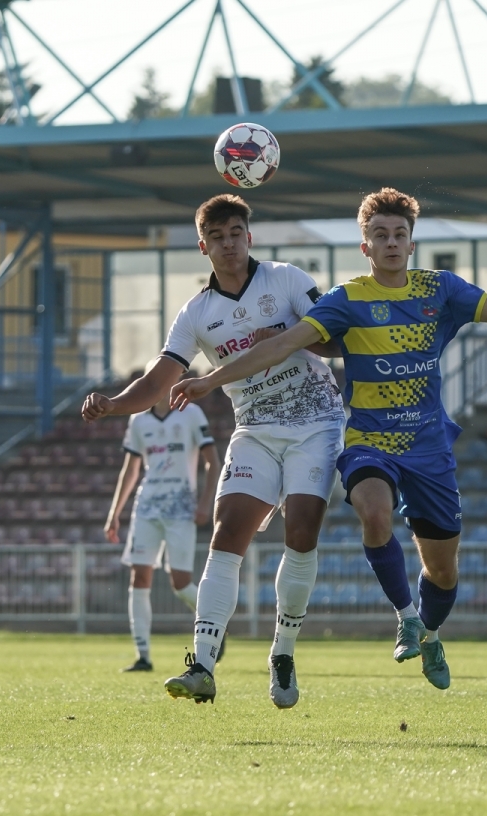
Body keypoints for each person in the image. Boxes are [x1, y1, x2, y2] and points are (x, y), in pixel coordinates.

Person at [172, 187, 487, 690]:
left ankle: (430, 633)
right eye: (380, 235)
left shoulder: (441, 290)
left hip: (429, 447)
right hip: (370, 440)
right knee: (373, 512)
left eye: (399, 235)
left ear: (412, 244)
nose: (391, 243)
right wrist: (210, 380)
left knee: (443, 572)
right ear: (365, 246)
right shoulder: (347, 299)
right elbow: (283, 344)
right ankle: (406, 616)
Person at [82, 193, 345, 708]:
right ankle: (202, 664)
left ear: (250, 236)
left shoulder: (286, 279)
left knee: (300, 533)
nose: (228, 244)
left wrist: (290, 336)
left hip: (317, 423)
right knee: (225, 538)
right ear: (203, 247)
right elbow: (157, 381)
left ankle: (283, 650)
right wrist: (112, 405)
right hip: (255, 430)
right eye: (217, 237)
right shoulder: (196, 312)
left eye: (235, 234)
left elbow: (337, 341)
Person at [104, 396, 220, 673]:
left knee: (180, 583)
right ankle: (142, 655)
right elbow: (130, 469)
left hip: (181, 509)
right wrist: (114, 512)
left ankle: (215, 623)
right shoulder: (138, 419)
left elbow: (213, 462)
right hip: (146, 509)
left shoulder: (191, 413)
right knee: (139, 576)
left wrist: (205, 504)